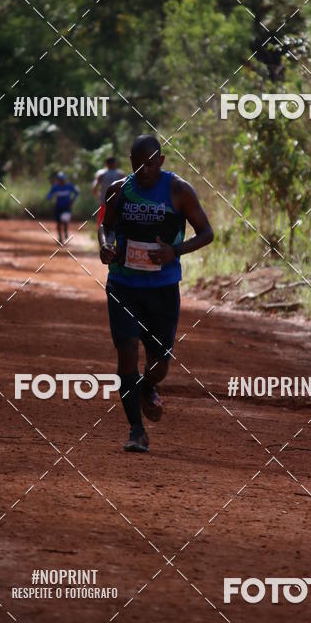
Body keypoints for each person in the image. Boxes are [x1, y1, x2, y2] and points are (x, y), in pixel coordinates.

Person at [99, 135, 213, 453]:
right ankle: (136, 430)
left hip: (162, 289)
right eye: (138, 165)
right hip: (123, 285)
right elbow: (105, 225)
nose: (144, 170)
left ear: (161, 161)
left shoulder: (179, 191)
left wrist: (174, 251)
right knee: (126, 353)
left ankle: (148, 386)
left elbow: (207, 233)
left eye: (150, 163)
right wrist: (106, 245)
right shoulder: (119, 190)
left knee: (160, 363)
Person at [46, 171, 79, 244]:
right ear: (58, 180)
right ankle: (60, 237)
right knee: (58, 223)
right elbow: (48, 196)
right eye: (60, 179)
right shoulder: (55, 187)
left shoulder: (70, 186)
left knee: (65, 221)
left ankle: (66, 233)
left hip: (67, 207)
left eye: (63, 179)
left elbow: (77, 192)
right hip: (58, 207)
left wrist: (73, 199)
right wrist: (51, 196)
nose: (62, 181)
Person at [92, 156, 124, 227]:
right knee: (117, 219)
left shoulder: (101, 174)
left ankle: (101, 235)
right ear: (115, 163)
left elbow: (94, 188)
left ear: (106, 164)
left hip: (104, 201)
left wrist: (99, 195)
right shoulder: (120, 174)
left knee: (102, 220)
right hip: (117, 201)